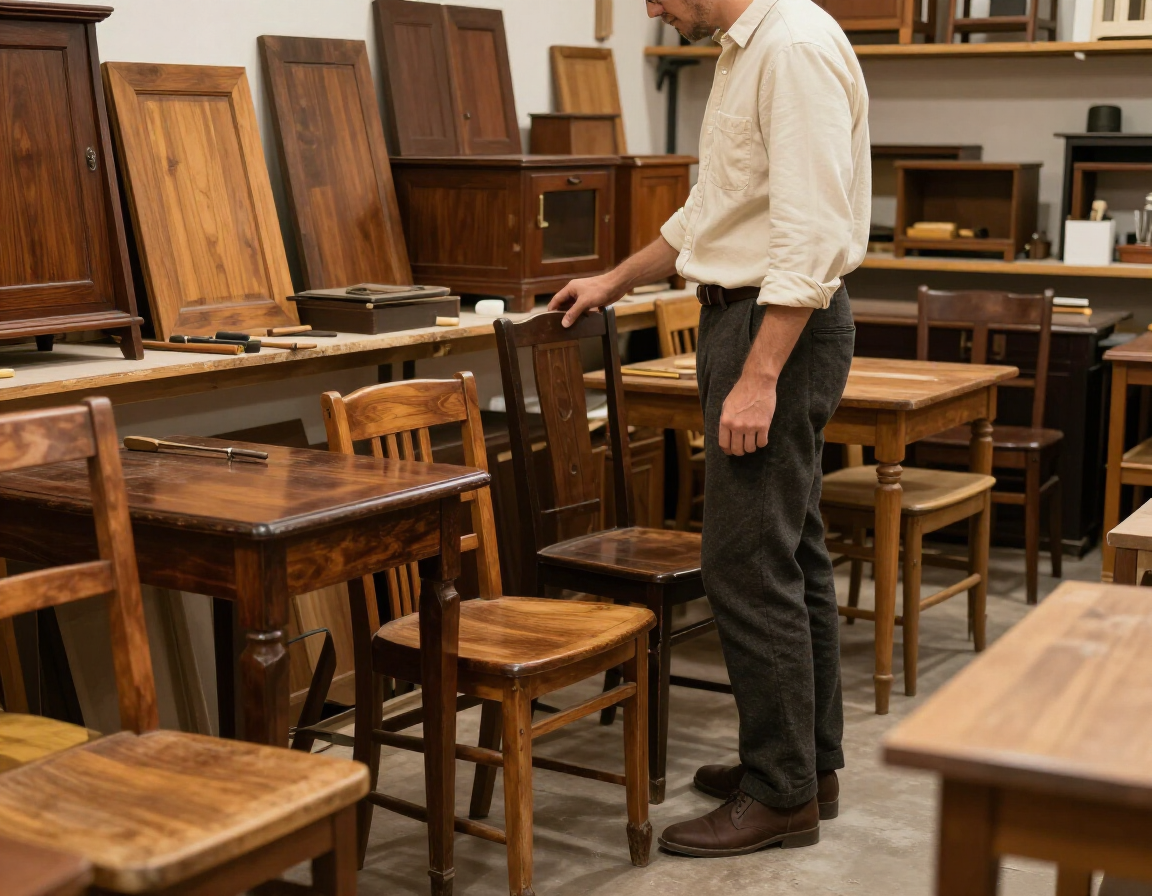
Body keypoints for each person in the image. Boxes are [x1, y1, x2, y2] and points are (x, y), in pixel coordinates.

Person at [547, 0, 870, 858]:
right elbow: (711, 213)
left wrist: (760, 374)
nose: (651, 7)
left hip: (776, 328)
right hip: (753, 317)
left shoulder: (791, 47)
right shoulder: (744, 49)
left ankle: (780, 793)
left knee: (743, 561)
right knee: (791, 552)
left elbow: (809, 234)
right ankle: (809, 768)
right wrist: (615, 279)